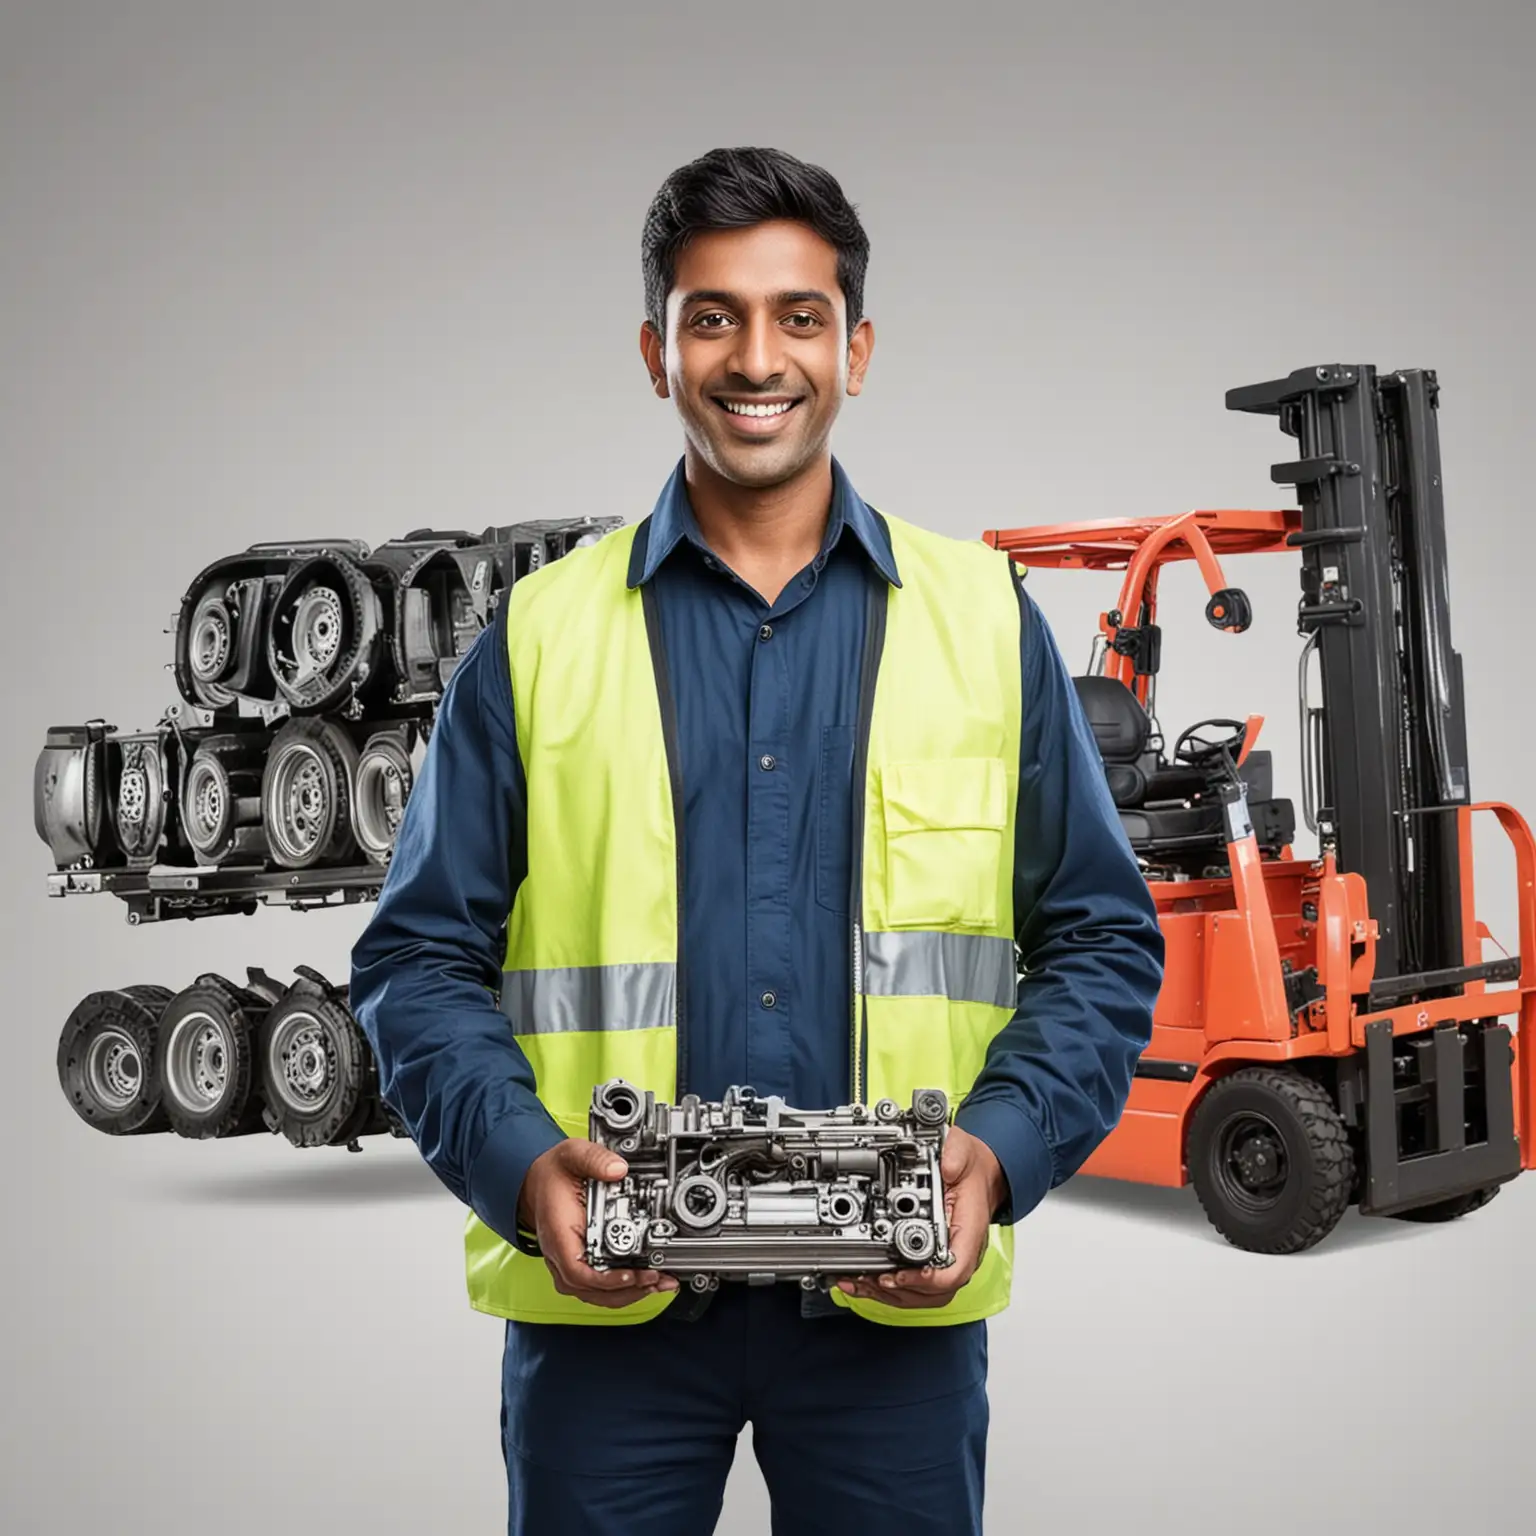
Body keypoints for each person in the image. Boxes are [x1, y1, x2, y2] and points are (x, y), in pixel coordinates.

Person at [348, 145, 1165, 1536]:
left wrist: (1000, 1149)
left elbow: (1099, 935)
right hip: (605, 1311)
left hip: (891, 1312)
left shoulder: (983, 621)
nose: (754, 357)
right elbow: (419, 958)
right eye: (712, 315)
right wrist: (525, 1165)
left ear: (856, 348)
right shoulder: (539, 637)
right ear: (655, 350)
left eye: (796, 316)